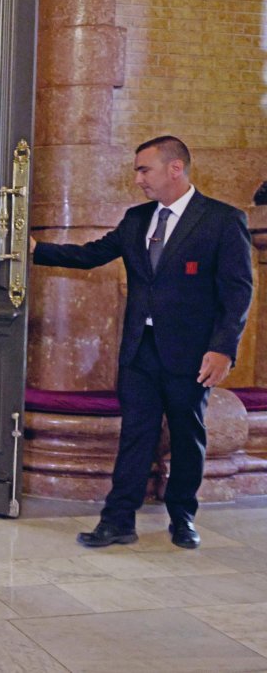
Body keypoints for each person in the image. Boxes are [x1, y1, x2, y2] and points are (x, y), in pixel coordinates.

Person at [31, 136, 253, 550]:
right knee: (136, 433)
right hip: (139, 350)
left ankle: (183, 517)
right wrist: (35, 250)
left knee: (188, 435)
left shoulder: (222, 220)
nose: (137, 180)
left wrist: (223, 348)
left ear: (175, 168)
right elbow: (91, 254)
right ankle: (118, 521)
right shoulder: (136, 220)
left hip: (192, 354)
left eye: (143, 170)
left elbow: (238, 292)